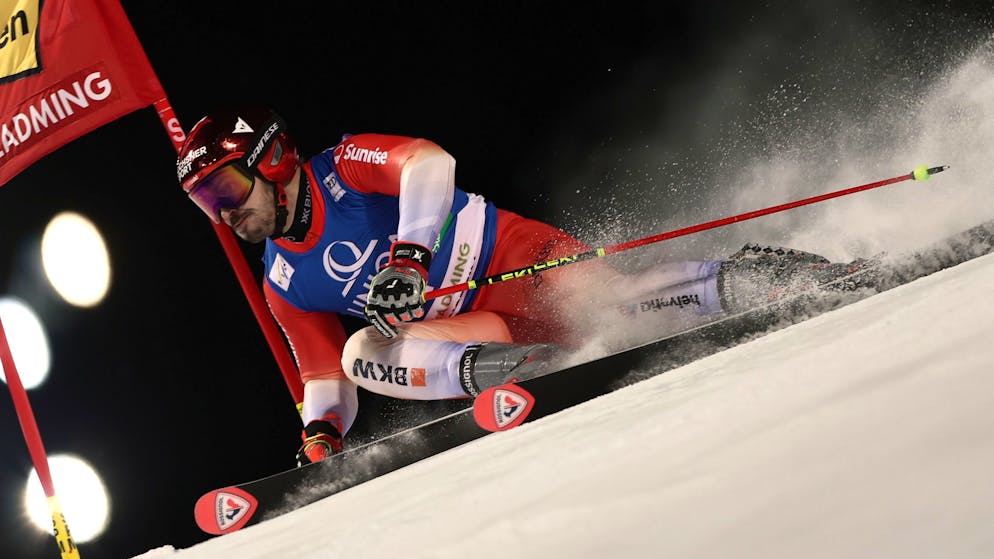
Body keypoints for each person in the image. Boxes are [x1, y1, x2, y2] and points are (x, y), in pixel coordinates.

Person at [176, 105, 869, 465]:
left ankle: (767, 275)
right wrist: (321, 433)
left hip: (513, 258)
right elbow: (324, 373)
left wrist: (411, 260)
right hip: (478, 334)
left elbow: (429, 162)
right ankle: (517, 372)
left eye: (229, 186)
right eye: (208, 203)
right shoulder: (284, 280)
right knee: (362, 349)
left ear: (274, 158)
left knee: (613, 303)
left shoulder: (342, 166)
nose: (227, 210)